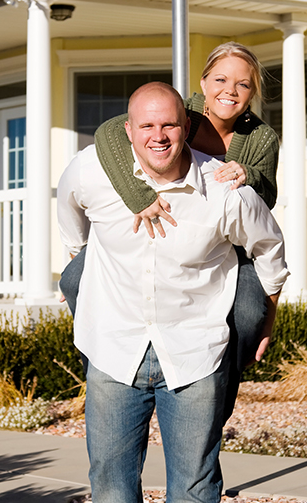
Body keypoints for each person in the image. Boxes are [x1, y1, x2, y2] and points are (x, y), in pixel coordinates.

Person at [57, 82, 288, 503]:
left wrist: (268, 317)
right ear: (127, 130)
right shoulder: (89, 169)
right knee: (110, 487)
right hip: (112, 349)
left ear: (187, 126)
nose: (158, 136)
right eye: (146, 125)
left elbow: (270, 250)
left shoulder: (223, 193)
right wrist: (84, 263)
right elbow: (70, 218)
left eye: (169, 125)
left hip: (195, 354)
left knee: (194, 489)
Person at [59, 42, 279, 418]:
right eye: (221, 79)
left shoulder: (260, 138)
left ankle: (220, 390)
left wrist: (250, 175)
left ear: (252, 92)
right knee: (73, 279)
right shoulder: (180, 112)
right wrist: (137, 195)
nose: (230, 90)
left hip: (225, 245)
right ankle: (98, 366)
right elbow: (111, 133)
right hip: (153, 229)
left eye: (243, 85)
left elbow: (266, 196)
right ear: (204, 82)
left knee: (246, 312)